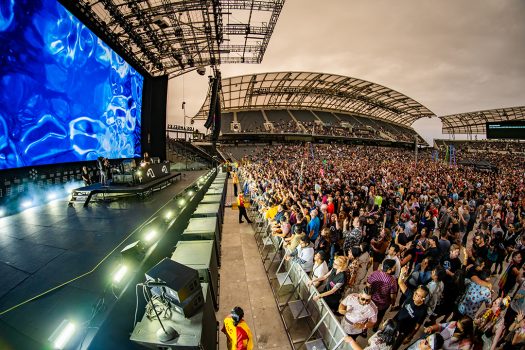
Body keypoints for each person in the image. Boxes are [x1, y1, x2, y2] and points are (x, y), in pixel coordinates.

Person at [367, 259, 398, 331]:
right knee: (379, 316)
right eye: (394, 267)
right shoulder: (392, 281)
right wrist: (393, 303)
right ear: (390, 270)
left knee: (369, 315)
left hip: (371, 301)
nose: (395, 268)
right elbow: (392, 295)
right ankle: (375, 327)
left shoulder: (374, 273)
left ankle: (365, 330)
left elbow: (368, 286)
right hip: (383, 304)